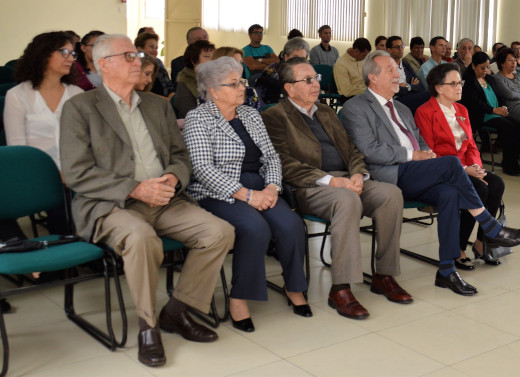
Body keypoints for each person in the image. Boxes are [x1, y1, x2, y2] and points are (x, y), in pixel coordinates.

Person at [60, 34, 235, 367]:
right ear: (102, 65)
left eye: (136, 54)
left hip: (165, 199)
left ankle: (177, 310)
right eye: (127, 55)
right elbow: (76, 172)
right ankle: (148, 326)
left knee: (220, 232)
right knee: (142, 239)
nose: (137, 60)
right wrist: (134, 188)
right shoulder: (79, 108)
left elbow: (180, 155)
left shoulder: (156, 105)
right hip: (111, 205)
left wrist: (172, 176)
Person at [340, 51, 520, 296]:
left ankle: (446, 270)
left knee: (450, 193)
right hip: (390, 174)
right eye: (390, 70)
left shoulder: (401, 108)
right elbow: (370, 151)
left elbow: (421, 141)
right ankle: (490, 227)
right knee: (452, 164)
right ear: (372, 77)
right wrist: (414, 155)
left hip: (419, 171)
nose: (397, 74)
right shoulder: (355, 107)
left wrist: (425, 155)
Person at [263, 57, 411, 320]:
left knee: (391, 194)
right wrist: (332, 181)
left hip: (346, 179)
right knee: (347, 201)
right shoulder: (275, 116)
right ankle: (341, 288)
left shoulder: (326, 112)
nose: (315, 84)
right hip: (309, 186)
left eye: (315, 78)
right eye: (307, 80)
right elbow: (284, 163)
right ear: (289, 88)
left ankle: (384, 275)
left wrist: (357, 173)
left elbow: (352, 149)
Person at [183, 57, 309, 332]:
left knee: (291, 224)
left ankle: (295, 287)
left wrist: (272, 188)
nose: (243, 87)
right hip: (219, 191)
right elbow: (203, 169)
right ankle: (239, 298)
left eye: (242, 81)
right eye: (234, 84)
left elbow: (272, 157)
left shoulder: (251, 114)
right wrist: (246, 196)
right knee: (254, 228)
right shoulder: (198, 118)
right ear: (213, 91)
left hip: (261, 186)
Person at [415, 63, 507, 269]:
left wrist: (476, 166)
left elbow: (471, 145)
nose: (459, 87)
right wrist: (466, 170)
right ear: (438, 88)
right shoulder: (425, 112)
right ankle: (458, 247)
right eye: (454, 83)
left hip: (467, 166)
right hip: (442, 170)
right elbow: (429, 152)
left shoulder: (461, 109)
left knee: (497, 184)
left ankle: (482, 242)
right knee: (479, 188)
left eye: (460, 82)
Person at [4, 31, 82, 235]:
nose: (70, 58)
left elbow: (85, 142)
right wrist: (55, 174)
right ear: (43, 54)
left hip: (75, 171)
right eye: (64, 52)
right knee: (62, 200)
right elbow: (18, 150)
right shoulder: (17, 95)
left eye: (73, 54)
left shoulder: (76, 94)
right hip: (36, 173)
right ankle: (65, 254)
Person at [461, 52, 520, 175]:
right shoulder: (468, 81)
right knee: (508, 127)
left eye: (487, 67)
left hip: (497, 112)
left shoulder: (489, 78)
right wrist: (493, 110)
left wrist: (502, 106)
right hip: (483, 115)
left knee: (519, 125)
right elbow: (474, 103)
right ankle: (508, 165)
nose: (485, 70)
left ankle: (514, 162)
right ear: (473, 66)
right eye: (482, 68)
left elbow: (499, 96)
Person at [256, 37, 310, 104]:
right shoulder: (272, 72)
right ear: (286, 57)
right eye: (295, 57)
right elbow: (259, 97)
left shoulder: (309, 73)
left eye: (302, 59)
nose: (299, 62)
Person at [174, 40, 215, 118]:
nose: (211, 60)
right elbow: (191, 114)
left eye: (213, 57)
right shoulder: (185, 84)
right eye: (207, 56)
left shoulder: (216, 80)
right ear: (194, 61)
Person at [493, 47, 520, 123]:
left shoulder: (518, 76)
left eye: (515, 60)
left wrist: (515, 89)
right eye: (510, 60)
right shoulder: (498, 78)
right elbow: (510, 94)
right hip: (513, 109)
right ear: (502, 63)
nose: (514, 62)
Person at [134, 32, 175, 99]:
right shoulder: (135, 68)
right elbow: (142, 92)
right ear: (139, 49)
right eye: (151, 47)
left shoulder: (160, 69)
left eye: (156, 48)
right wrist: (164, 100)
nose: (155, 51)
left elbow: (170, 90)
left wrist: (171, 99)